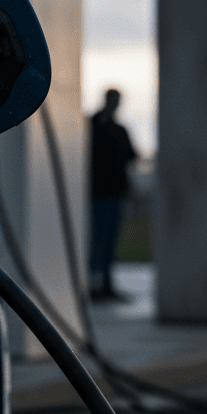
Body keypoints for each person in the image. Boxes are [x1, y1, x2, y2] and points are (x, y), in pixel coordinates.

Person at [89, 88, 137, 301]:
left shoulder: (118, 130)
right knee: (97, 242)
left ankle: (104, 285)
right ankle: (94, 285)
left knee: (108, 243)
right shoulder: (94, 127)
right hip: (98, 194)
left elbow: (130, 156)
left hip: (114, 193)